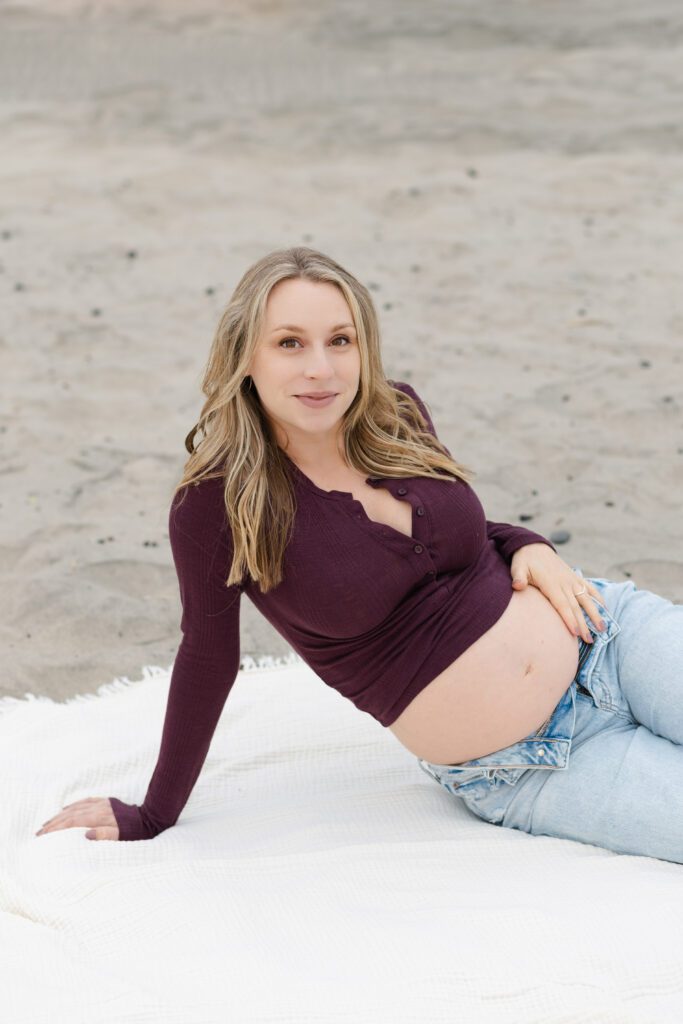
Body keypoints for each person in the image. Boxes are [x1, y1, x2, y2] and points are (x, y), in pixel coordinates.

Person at [36, 247, 683, 864]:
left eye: (339, 340)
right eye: (290, 343)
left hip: (608, 635)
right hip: (527, 764)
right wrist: (154, 813)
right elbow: (208, 655)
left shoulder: (393, 410)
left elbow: (464, 534)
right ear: (246, 356)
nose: (320, 368)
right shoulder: (218, 502)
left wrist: (528, 543)